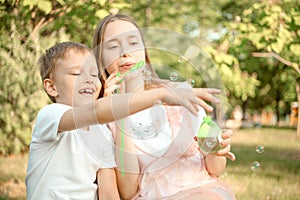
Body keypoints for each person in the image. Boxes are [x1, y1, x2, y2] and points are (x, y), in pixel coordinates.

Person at [25, 41, 211, 200]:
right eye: (76, 74)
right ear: (51, 87)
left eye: (93, 74)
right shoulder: (51, 116)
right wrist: (162, 93)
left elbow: (109, 195)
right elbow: (98, 110)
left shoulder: (102, 132)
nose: (89, 80)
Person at [92, 14, 237, 200]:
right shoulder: (104, 118)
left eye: (133, 43)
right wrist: (120, 111)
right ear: (100, 59)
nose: (125, 52)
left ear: (145, 51)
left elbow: (215, 170)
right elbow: (128, 192)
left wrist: (216, 149)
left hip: (204, 190)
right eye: (113, 46)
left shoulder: (178, 95)